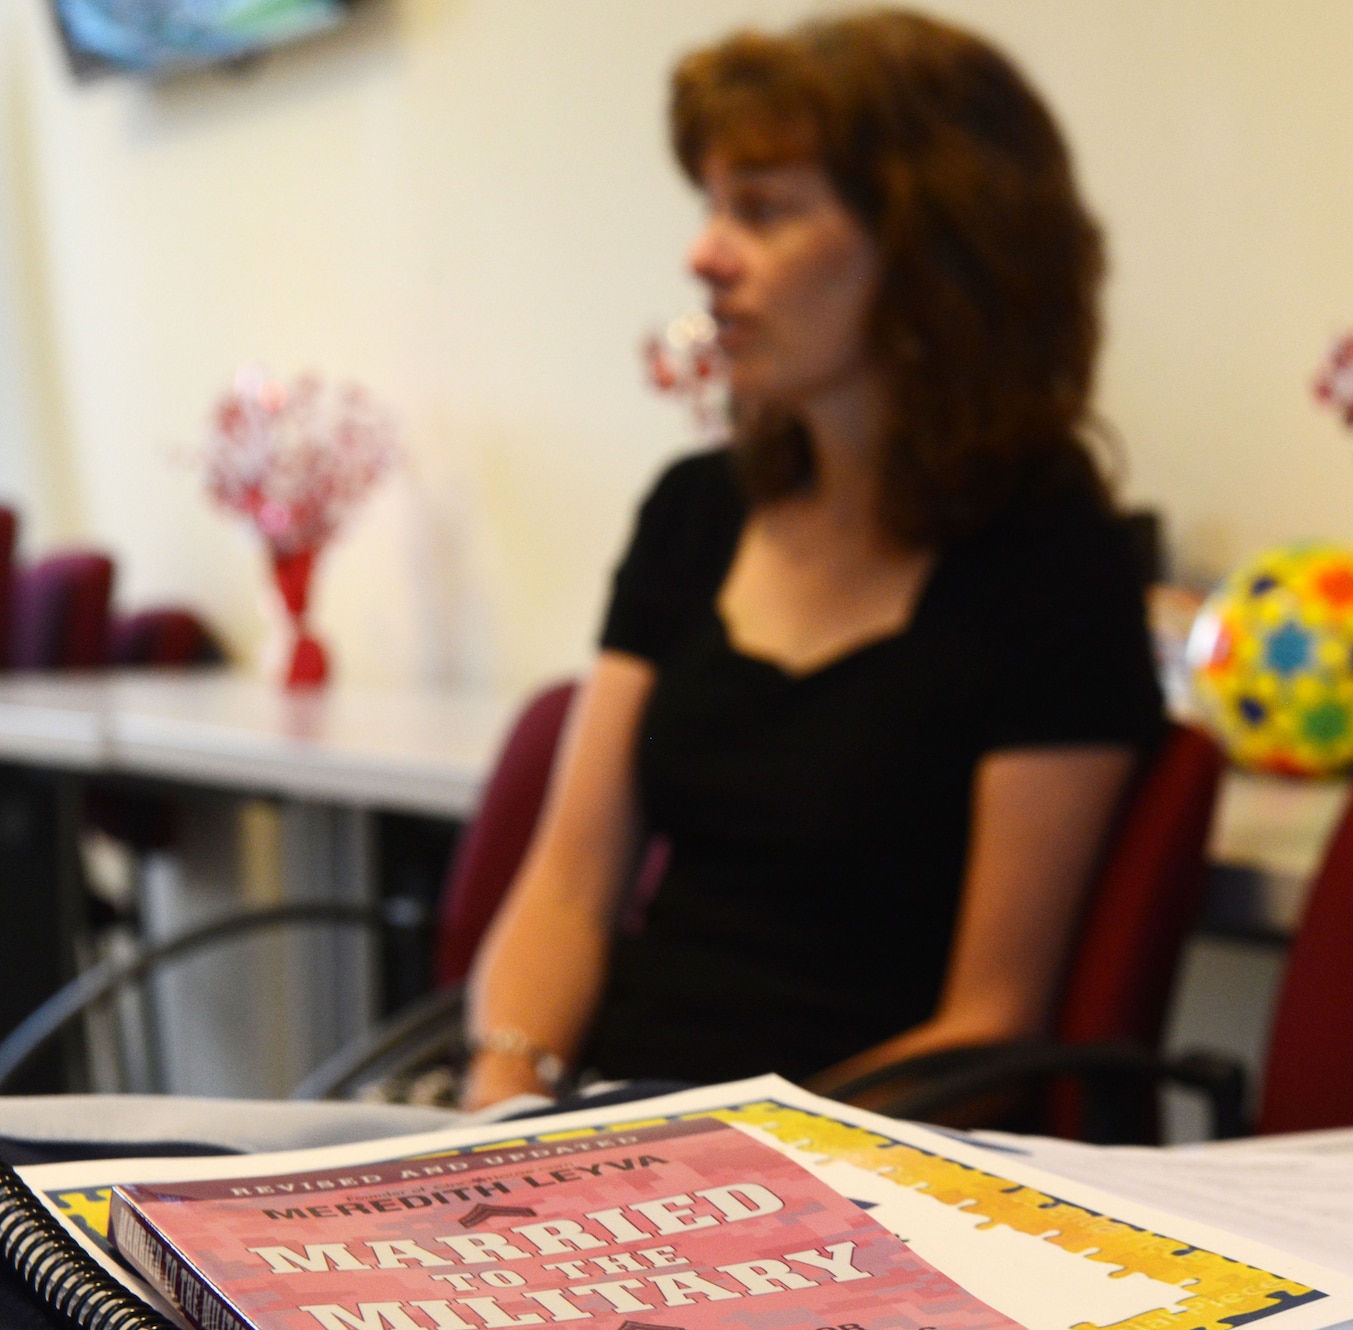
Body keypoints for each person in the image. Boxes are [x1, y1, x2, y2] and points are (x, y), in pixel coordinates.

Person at [462, 9, 1162, 1110]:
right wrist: (504, 1103)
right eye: (710, 206)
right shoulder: (693, 512)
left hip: (858, 1174)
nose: (704, 254)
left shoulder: (1053, 559)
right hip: (607, 1131)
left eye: (764, 211)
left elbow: (988, 1022)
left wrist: (707, 1173)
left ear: (935, 257)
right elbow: (566, 890)